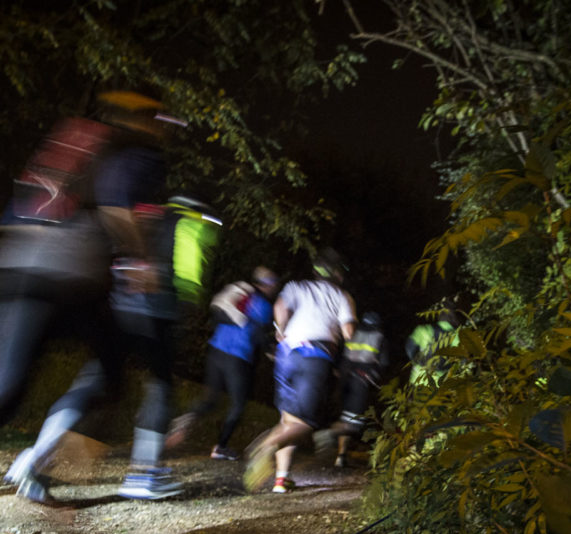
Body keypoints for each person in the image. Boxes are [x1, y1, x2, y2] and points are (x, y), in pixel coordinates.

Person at [4, 88, 199, 502]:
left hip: (45, 272)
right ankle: (138, 473)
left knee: (35, 381)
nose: (163, 131)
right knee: (133, 379)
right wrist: (143, 263)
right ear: (142, 120)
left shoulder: (80, 139)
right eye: (158, 121)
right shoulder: (137, 155)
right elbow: (118, 209)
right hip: (95, 282)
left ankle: (37, 461)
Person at [243, 247, 356, 494]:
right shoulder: (341, 296)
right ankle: (264, 446)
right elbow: (349, 332)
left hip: (287, 354)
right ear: (337, 273)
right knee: (306, 422)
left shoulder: (297, 287)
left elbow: (281, 306)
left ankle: (281, 479)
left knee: (289, 420)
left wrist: (280, 329)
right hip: (315, 356)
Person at [165, 266, 279, 460]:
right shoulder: (263, 305)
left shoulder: (239, 295)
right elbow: (259, 334)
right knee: (238, 404)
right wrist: (271, 351)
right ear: (268, 286)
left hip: (216, 352)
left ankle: (186, 419)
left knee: (210, 400)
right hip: (237, 358)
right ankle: (221, 447)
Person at [315, 310, 388, 468]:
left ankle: (341, 457)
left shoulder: (353, 333)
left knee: (346, 417)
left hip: (344, 380)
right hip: (361, 382)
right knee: (354, 423)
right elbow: (384, 363)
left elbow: (341, 355)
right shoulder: (379, 337)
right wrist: (376, 376)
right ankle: (328, 434)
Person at [405, 307, 459, 387]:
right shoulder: (456, 337)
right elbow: (462, 359)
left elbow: (409, 348)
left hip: (418, 381)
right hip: (441, 384)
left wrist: (418, 361)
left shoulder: (424, 330)